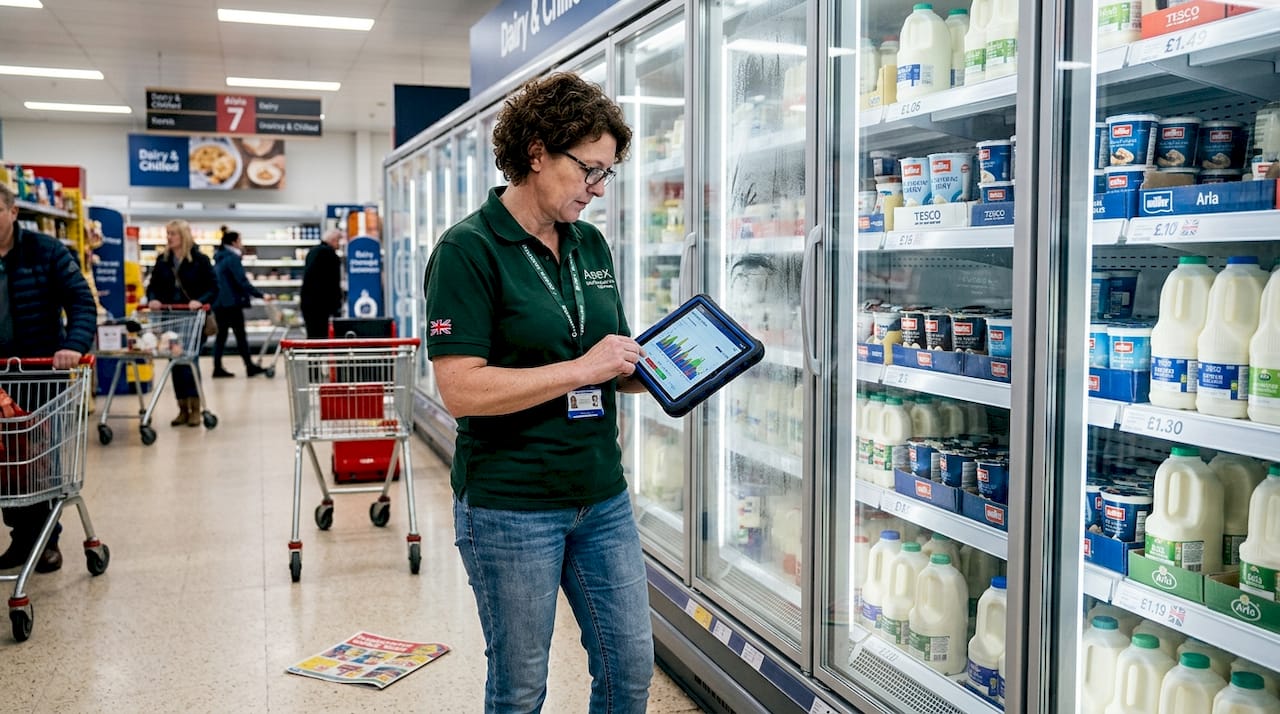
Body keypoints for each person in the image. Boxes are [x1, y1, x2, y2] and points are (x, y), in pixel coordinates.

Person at [422, 72, 653, 713]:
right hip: (511, 506)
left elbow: (613, 357)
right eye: (589, 170)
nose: (598, 189)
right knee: (521, 686)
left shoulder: (590, 244)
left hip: (601, 496)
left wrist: (662, 373)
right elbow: (461, 388)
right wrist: (582, 369)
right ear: (537, 152)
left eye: (608, 174)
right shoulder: (468, 251)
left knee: (629, 666)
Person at [0, 182, 96, 573]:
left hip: (40, 372)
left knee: (39, 462)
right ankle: (23, 539)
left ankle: (43, 542)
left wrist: (72, 345)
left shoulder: (47, 251)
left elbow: (81, 301)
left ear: (12, 212)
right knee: (5, 464)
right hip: (1, 375)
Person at [146, 219, 215, 427]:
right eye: (167, 234)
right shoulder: (163, 260)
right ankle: (182, 409)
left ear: (183, 236)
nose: (169, 238)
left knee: (189, 361)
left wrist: (200, 301)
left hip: (192, 320)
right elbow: (153, 286)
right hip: (171, 317)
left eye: (173, 234)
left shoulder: (200, 260)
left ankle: (196, 409)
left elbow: (213, 287)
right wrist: (153, 299)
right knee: (174, 362)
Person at [210, 228, 267, 378]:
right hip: (231, 303)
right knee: (240, 335)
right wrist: (260, 295)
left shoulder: (219, 256)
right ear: (234, 242)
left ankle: (217, 367)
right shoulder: (232, 258)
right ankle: (249, 366)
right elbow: (241, 281)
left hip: (220, 303)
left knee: (221, 336)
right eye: (240, 240)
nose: (242, 244)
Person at [300, 228, 343, 339]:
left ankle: (313, 355)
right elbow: (333, 283)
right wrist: (337, 306)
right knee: (321, 337)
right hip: (321, 305)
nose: (340, 243)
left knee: (312, 336)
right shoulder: (330, 255)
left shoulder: (312, 252)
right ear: (333, 240)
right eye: (339, 240)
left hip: (307, 303)